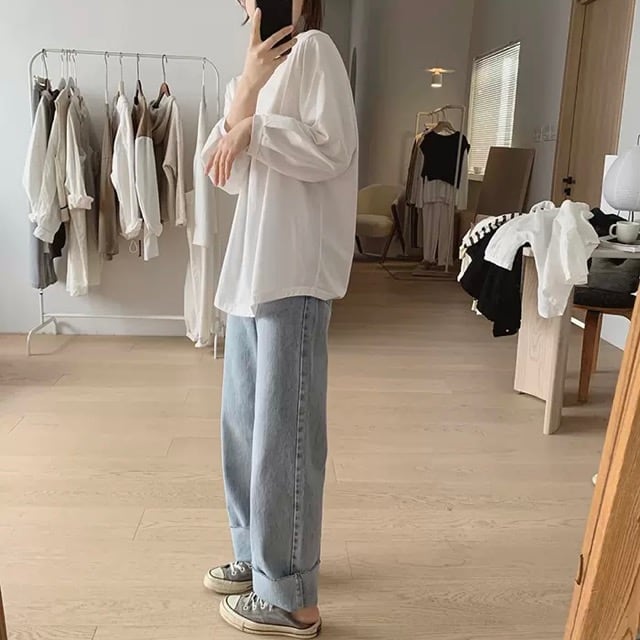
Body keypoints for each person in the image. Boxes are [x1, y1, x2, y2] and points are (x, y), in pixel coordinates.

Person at [200, 0, 358, 636]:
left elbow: (332, 150)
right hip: (251, 274)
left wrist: (255, 131)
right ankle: (258, 559)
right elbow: (224, 174)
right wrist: (246, 93)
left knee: (284, 438)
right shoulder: (253, 74)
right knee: (243, 430)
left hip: (293, 269)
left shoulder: (315, 51)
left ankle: (291, 597)